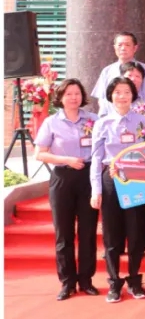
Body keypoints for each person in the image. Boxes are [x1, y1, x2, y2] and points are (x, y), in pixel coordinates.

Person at [90, 77, 145, 302]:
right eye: (117, 92)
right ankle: (114, 281)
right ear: (110, 95)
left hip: (137, 180)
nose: (122, 96)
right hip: (111, 180)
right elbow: (96, 158)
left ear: (133, 95)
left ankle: (135, 279)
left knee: (137, 232)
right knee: (112, 233)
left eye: (126, 92)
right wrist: (96, 190)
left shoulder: (144, 122)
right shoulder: (102, 124)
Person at [35, 79, 99, 300]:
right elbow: (40, 153)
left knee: (88, 232)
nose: (73, 98)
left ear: (83, 96)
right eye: (69, 94)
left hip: (88, 178)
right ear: (61, 98)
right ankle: (67, 282)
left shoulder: (93, 120)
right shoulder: (51, 122)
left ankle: (86, 280)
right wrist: (66, 160)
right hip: (62, 177)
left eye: (77, 93)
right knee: (64, 233)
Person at [91, 32, 145, 106]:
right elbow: (101, 98)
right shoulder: (107, 71)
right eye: (120, 45)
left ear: (135, 48)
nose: (123, 48)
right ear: (115, 48)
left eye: (127, 45)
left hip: (139, 111)